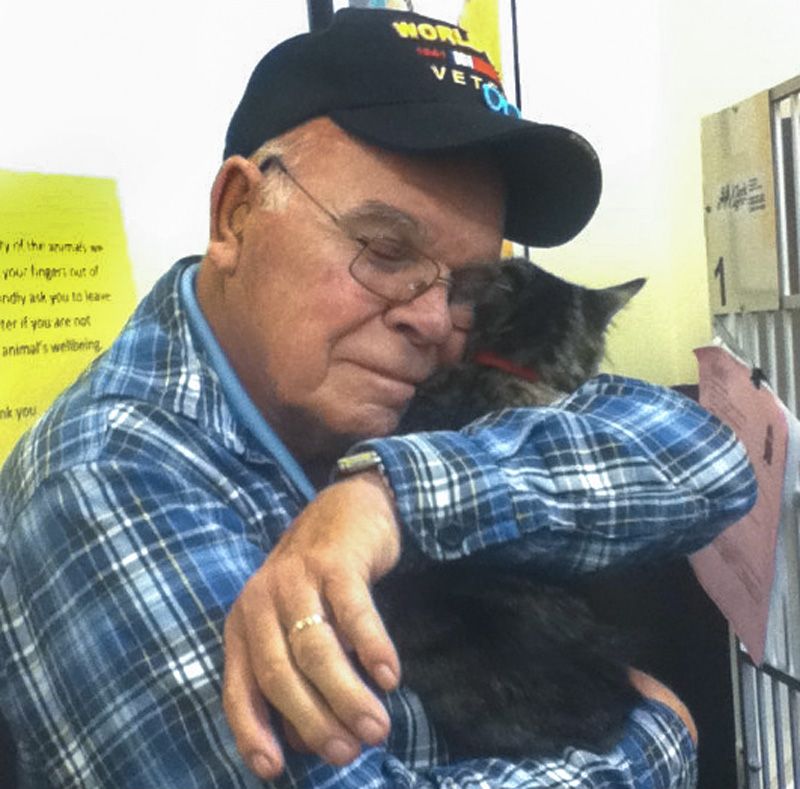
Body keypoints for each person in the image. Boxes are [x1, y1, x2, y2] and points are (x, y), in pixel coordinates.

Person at [0, 8, 755, 788]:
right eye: (386, 249)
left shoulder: (353, 384)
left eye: (466, 283)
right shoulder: (108, 482)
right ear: (235, 213)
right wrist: (657, 742)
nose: (431, 320)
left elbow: (707, 458)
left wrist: (388, 496)